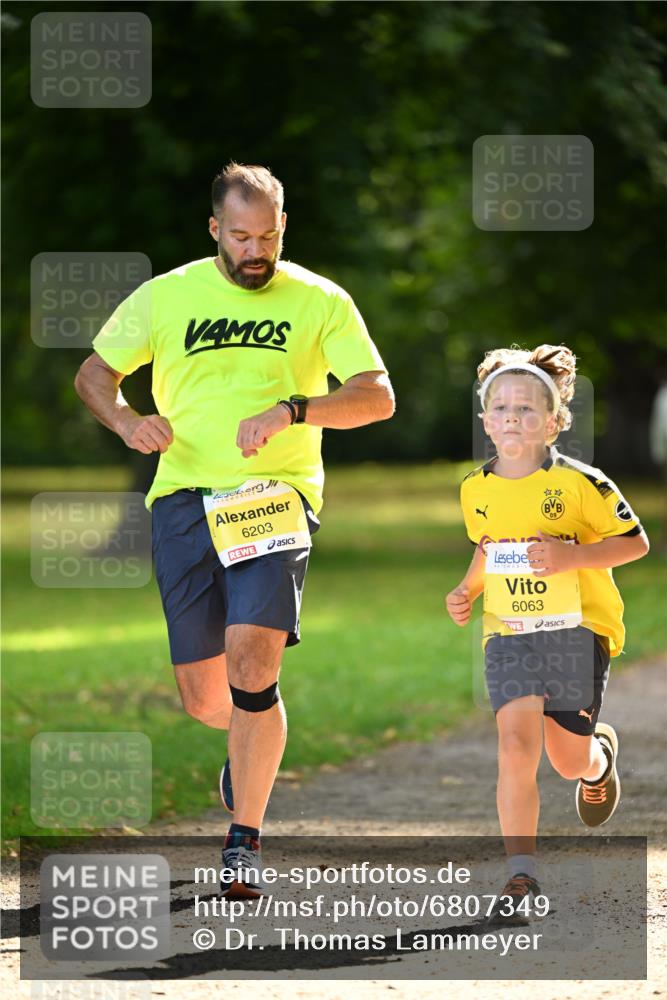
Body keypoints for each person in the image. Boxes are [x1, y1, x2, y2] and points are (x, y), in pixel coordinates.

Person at [74, 162, 394, 896]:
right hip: (183, 500)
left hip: (274, 495)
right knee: (204, 698)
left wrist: (293, 410)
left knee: (253, 662)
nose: (256, 251)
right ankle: (246, 751)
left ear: (283, 228)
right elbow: (94, 375)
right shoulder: (166, 295)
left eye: (268, 237)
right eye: (242, 237)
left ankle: (243, 838)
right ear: (215, 228)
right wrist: (126, 422)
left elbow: (375, 397)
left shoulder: (319, 299)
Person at [445, 344, 649, 923]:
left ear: (555, 421)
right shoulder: (474, 489)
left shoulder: (584, 483)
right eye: (501, 408)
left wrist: (570, 557)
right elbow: (489, 552)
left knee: (566, 761)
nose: (512, 417)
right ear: (485, 421)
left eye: (527, 409)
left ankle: (598, 761)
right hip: (509, 631)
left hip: (577, 629)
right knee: (515, 747)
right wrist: (467, 590)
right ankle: (521, 873)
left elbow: (636, 543)